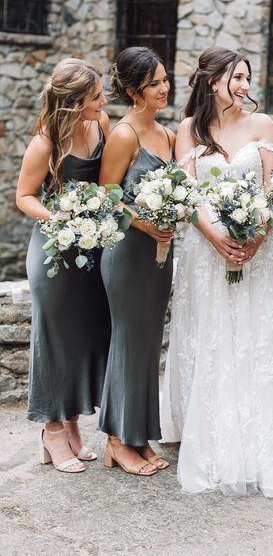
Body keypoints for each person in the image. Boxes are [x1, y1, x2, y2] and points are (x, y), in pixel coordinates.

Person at [161, 46, 273, 498]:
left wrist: (256, 236)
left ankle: (255, 437)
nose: (244, 86)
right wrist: (214, 235)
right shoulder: (188, 128)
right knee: (212, 336)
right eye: (236, 78)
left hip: (255, 247)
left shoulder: (261, 125)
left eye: (247, 77)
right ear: (212, 80)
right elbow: (188, 192)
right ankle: (209, 428)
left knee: (252, 338)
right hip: (205, 251)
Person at [16, 58, 110, 473]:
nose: (103, 100)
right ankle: (52, 429)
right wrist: (57, 218)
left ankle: (70, 424)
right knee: (54, 340)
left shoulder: (102, 124)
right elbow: (24, 196)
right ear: (74, 103)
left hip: (91, 253)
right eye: (95, 96)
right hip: (54, 252)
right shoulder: (45, 142)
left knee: (82, 337)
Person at [98, 47, 175, 476]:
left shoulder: (165, 135)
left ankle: (139, 434)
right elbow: (106, 192)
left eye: (165, 80)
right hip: (128, 252)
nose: (164, 88)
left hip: (159, 256)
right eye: (154, 84)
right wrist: (144, 224)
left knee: (147, 345)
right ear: (132, 90)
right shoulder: (124, 134)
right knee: (128, 340)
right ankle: (116, 440)